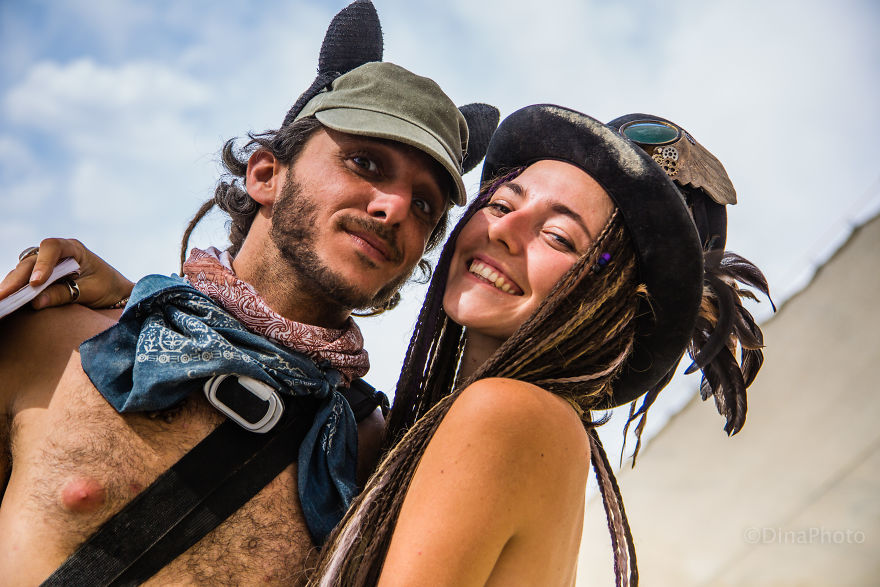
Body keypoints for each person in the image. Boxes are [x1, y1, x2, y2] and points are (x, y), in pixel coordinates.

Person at [0, 1, 500, 583]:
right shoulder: (58, 340)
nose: (392, 207)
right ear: (265, 175)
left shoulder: (369, 457)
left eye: (423, 205)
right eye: (364, 162)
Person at [308, 104, 773, 585]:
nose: (502, 230)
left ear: (612, 302)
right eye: (502, 204)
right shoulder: (526, 425)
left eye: (558, 236)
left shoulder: (507, 412)